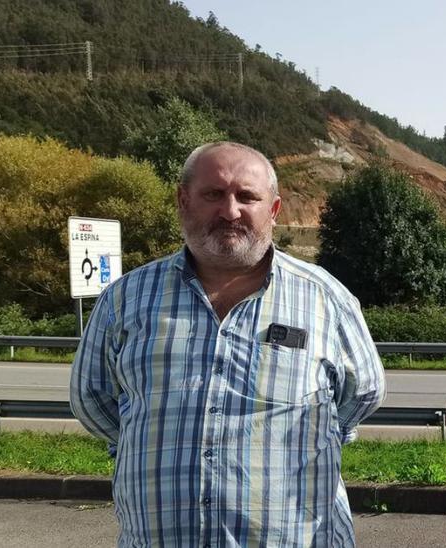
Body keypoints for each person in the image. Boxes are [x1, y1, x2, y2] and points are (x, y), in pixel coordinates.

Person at [70, 141, 386, 547]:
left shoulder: (326, 298)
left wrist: (317, 436)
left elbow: (362, 393)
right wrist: (143, 438)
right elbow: (91, 397)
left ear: (272, 210)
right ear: (183, 201)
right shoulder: (126, 298)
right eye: (213, 194)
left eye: (247, 196)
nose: (230, 211)